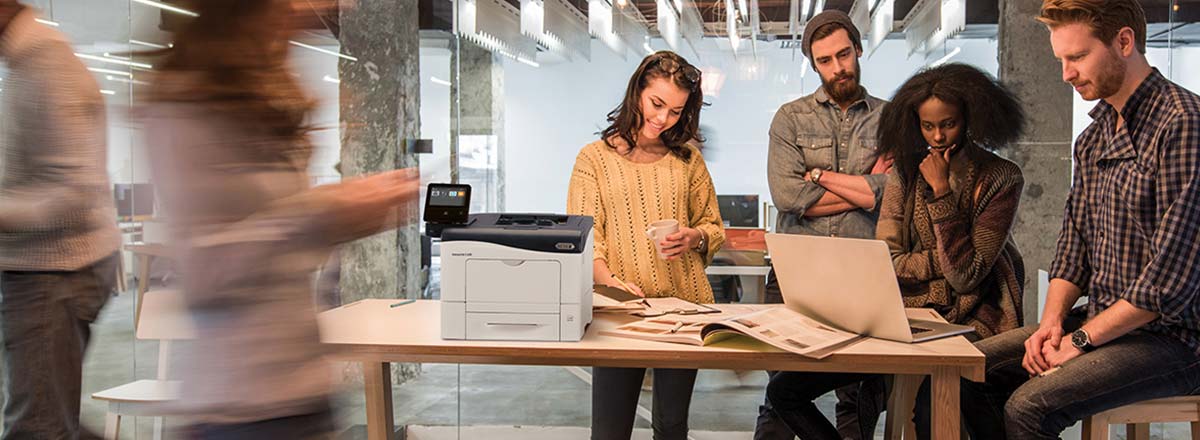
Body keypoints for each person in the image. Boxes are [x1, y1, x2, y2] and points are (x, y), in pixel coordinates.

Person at [141, 0, 420, 437]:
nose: (318, 7)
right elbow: (206, 273)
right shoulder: (183, 105)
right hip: (238, 406)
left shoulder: (263, 99)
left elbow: (280, 242)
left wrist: (347, 217)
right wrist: (324, 212)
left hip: (300, 389)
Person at [959, 0, 1200, 437]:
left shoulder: (1183, 124)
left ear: (1124, 41)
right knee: (967, 371)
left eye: (1077, 57)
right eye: (1061, 60)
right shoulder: (1092, 139)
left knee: (1029, 407)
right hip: (1103, 320)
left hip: (1176, 338)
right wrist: (1052, 324)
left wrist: (1081, 341)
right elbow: (1073, 250)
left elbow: (1166, 284)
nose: (1066, 73)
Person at [765, 63, 1029, 440]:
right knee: (784, 390)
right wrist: (947, 259)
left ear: (970, 117)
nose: (938, 136)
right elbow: (891, 259)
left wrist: (940, 196)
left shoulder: (1002, 177)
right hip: (903, 316)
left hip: (974, 320)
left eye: (949, 124)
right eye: (927, 126)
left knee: (931, 413)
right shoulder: (904, 173)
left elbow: (966, 276)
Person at [567, 50, 725, 440]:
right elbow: (586, 237)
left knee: (672, 428)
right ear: (637, 89)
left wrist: (694, 237)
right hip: (620, 313)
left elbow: (714, 227)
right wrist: (612, 285)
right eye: (657, 103)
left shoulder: (688, 159)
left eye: (675, 111)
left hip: (683, 312)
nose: (662, 118)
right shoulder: (594, 159)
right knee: (609, 429)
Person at [757, 10, 891, 439]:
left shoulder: (890, 118)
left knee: (857, 399)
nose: (838, 68)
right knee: (780, 393)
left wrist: (818, 177)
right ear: (814, 65)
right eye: (825, 61)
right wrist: (863, 189)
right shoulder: (790, 118)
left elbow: (890, 193)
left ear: (858, 49)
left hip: (861, 277)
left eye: (844, 55)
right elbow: (788, 197)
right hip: (796, 277)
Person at [0, 2, 121, 439]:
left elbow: (73, 193)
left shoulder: (46, 68)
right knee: (50, 417)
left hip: (54, 272)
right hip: (44, 270)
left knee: (37, 427)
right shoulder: (23, 64)